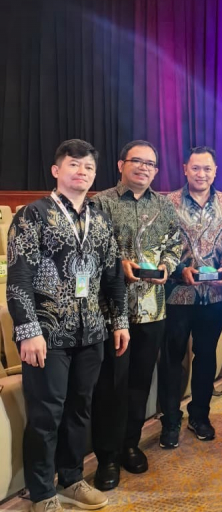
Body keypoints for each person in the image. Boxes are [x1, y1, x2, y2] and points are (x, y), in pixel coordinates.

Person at [6, 140, 129, 512]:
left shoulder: (100, 219)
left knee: (80, 409)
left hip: (91, 331)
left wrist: (119, 321)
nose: (82, 172)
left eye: (89, 167)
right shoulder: (33, 215)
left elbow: (113, 277)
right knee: (46, 415)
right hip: (47, 334)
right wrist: (28, 331)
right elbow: (19, 279)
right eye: (74, 164)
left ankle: (72, 479)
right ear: (56, 170)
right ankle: (42, 493)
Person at [91, 140, 182, 491]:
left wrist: (166, 266)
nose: (144, 168)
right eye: (137, 161)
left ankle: (130, 444)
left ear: (156, 171)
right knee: (110, 386)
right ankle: (107, 457)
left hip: (152, 309)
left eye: (150, 164)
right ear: (121, 165)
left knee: (140, 384)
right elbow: (91, 250)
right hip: (112, 312)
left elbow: (175, 244)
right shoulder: (101, 203)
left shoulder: (164, 205)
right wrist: (119, 265)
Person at [158, 146, 222, 448]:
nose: (201, 174)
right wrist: (180, 270)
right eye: (195, 168)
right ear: (185, 169)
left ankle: (200, 416)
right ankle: (170, 420)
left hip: (214, 296)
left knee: (206, 357)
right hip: (177, 296)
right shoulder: (168, 203)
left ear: (215, 172)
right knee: (172, 360)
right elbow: (160, 245)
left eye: (207, 169)